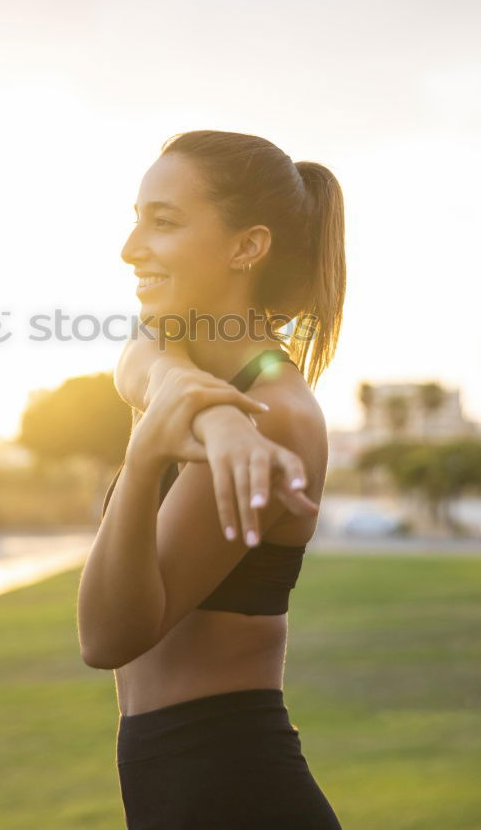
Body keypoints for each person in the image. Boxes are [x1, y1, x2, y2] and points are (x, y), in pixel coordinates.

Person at [77, 129, 346, 828]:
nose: (131, 249)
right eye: (136, 219)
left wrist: (145, 459)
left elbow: (106, 637)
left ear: (246, 247)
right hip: (177, 778)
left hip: (230, 786)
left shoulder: (276, 414)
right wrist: (209, 417)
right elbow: (141, 361)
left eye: (163, 222)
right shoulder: (188, 363)